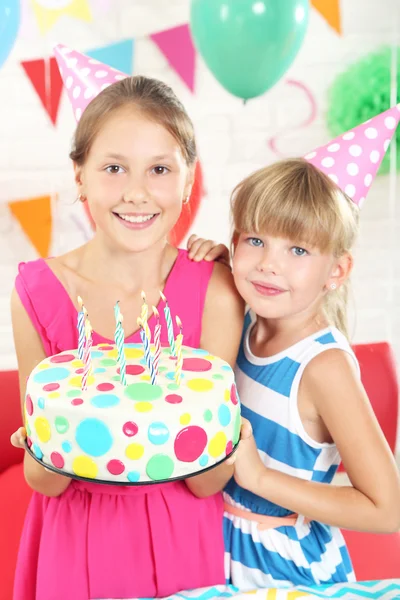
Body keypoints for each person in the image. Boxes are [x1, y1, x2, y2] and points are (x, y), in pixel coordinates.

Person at [10, 72, 244, 600]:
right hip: (73, 542)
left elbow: (207, 478)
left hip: (182, 539)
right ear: (80, 176)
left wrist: (228, 447)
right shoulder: (36, 293)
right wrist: (45, 446)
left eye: (160, 169)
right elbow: (44, 477)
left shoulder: (217, 291)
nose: (136, 192)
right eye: (113, 168)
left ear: (189, 181)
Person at [187, 158, 400, 588]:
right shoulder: (241, 320)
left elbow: (387, 508)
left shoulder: (323, 367)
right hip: (215, 544)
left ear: (336, 271)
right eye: (256, 240)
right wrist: (222, 271)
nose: (269, 264)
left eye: (298, 250)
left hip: (284, 568)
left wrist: (262, 478)